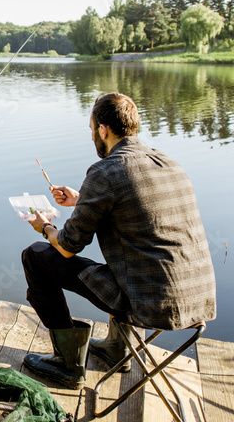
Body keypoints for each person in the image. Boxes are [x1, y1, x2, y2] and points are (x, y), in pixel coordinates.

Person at [20, 92, 217, 389]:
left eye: (91, 130)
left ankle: (68, 364)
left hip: (150, 304)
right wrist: (82, 200)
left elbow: (67, 246)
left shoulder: (106, 171)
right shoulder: (168, 162)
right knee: (136, 257)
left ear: (103, 130)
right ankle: (115, 347)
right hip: (198, 300)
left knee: (36, 256)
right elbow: (139, 210)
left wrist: (44, 225)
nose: (92, 137)